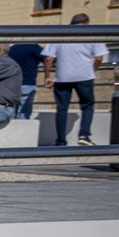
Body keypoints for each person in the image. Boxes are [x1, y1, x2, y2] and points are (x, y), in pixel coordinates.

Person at [42, 13, 108, 146]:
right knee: (87, 106)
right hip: (84, 76)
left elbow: (49, 58)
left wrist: (47, 76)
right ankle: (84, 135)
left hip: (62, 77)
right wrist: (93, 69)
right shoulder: (93, 34)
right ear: (87, 23)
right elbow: (100, 58)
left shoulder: (60, 34)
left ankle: (60, 141)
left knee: (62, 109)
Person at [8, 42, 45, 119]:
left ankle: (10, 130)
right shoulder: (33, 47)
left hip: (12, 83)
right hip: (28, 82)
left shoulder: (12, 48)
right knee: (24, 112)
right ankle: (22, 130)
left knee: (11, 111)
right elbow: (48, 58)